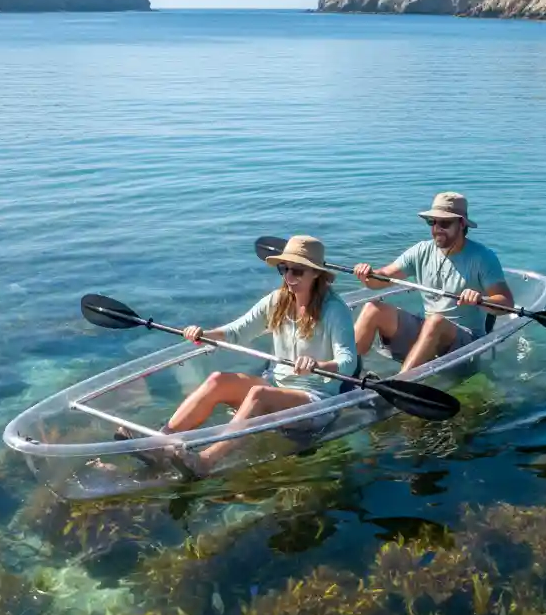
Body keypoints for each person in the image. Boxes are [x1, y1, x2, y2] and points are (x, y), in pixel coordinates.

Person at [156, 234, 357, 477]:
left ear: (316, 273)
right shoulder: (277, 301)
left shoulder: (335, 310)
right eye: (284, 269)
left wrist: (318, 364)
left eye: (297, 271)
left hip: (316, 400)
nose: (289, 277)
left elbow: (348, 361)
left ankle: (205, 461)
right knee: (218, 380)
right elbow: (237, 331)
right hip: (277, 385)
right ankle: (159, 444)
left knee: (258, 394)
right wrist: (204, 334)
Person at [352, 192, 515, 372]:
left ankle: (400, 382)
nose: (437, 229)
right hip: (428, 330)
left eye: (444, 223)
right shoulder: (421, 250)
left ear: (461, 224)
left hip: (467, 343)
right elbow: (382, 278)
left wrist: (481, 300)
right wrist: (368, 275)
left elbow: (506, 303)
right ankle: (343, 372)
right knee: (373, 308)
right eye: (432, 222)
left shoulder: (483, 257)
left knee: (435, 321)